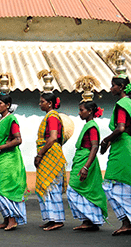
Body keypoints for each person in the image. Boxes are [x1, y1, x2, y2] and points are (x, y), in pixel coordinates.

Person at [99, 74, 131, 236]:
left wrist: (105, 140)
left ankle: (128, 222)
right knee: (128, 185)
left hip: (123, 147)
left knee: (111, 183)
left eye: (113, 85)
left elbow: (120, 128)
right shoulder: (130, 104)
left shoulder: (121, 104)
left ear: (120, 87)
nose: (111, 88)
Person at [0, 94, 27, 231]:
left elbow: (18, 140)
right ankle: (6, 218)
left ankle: (12, 219)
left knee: (2, 188)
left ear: (7, 105)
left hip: (9, 159)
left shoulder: (11, 119)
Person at [67, 100, 108, 231]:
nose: (79, 113)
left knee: (73, 188)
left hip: (86, 160)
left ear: (90, 111)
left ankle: (92, 219)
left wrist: (86, 167)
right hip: (81, 158)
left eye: (82, 110)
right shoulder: (88, 125)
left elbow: (94, 147)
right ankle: (88, 220)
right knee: (82, 190)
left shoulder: (92, 126)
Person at [35, 92, 67, 231]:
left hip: (50, 153)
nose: (40, 104)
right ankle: (51, 218)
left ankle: (57, 219)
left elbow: (53, 137)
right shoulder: (49, 116)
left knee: (52, 186)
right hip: (48, 152)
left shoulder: (52, 117)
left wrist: (40, 154)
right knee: (45, 186)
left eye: (42, 101)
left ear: (50, 103)